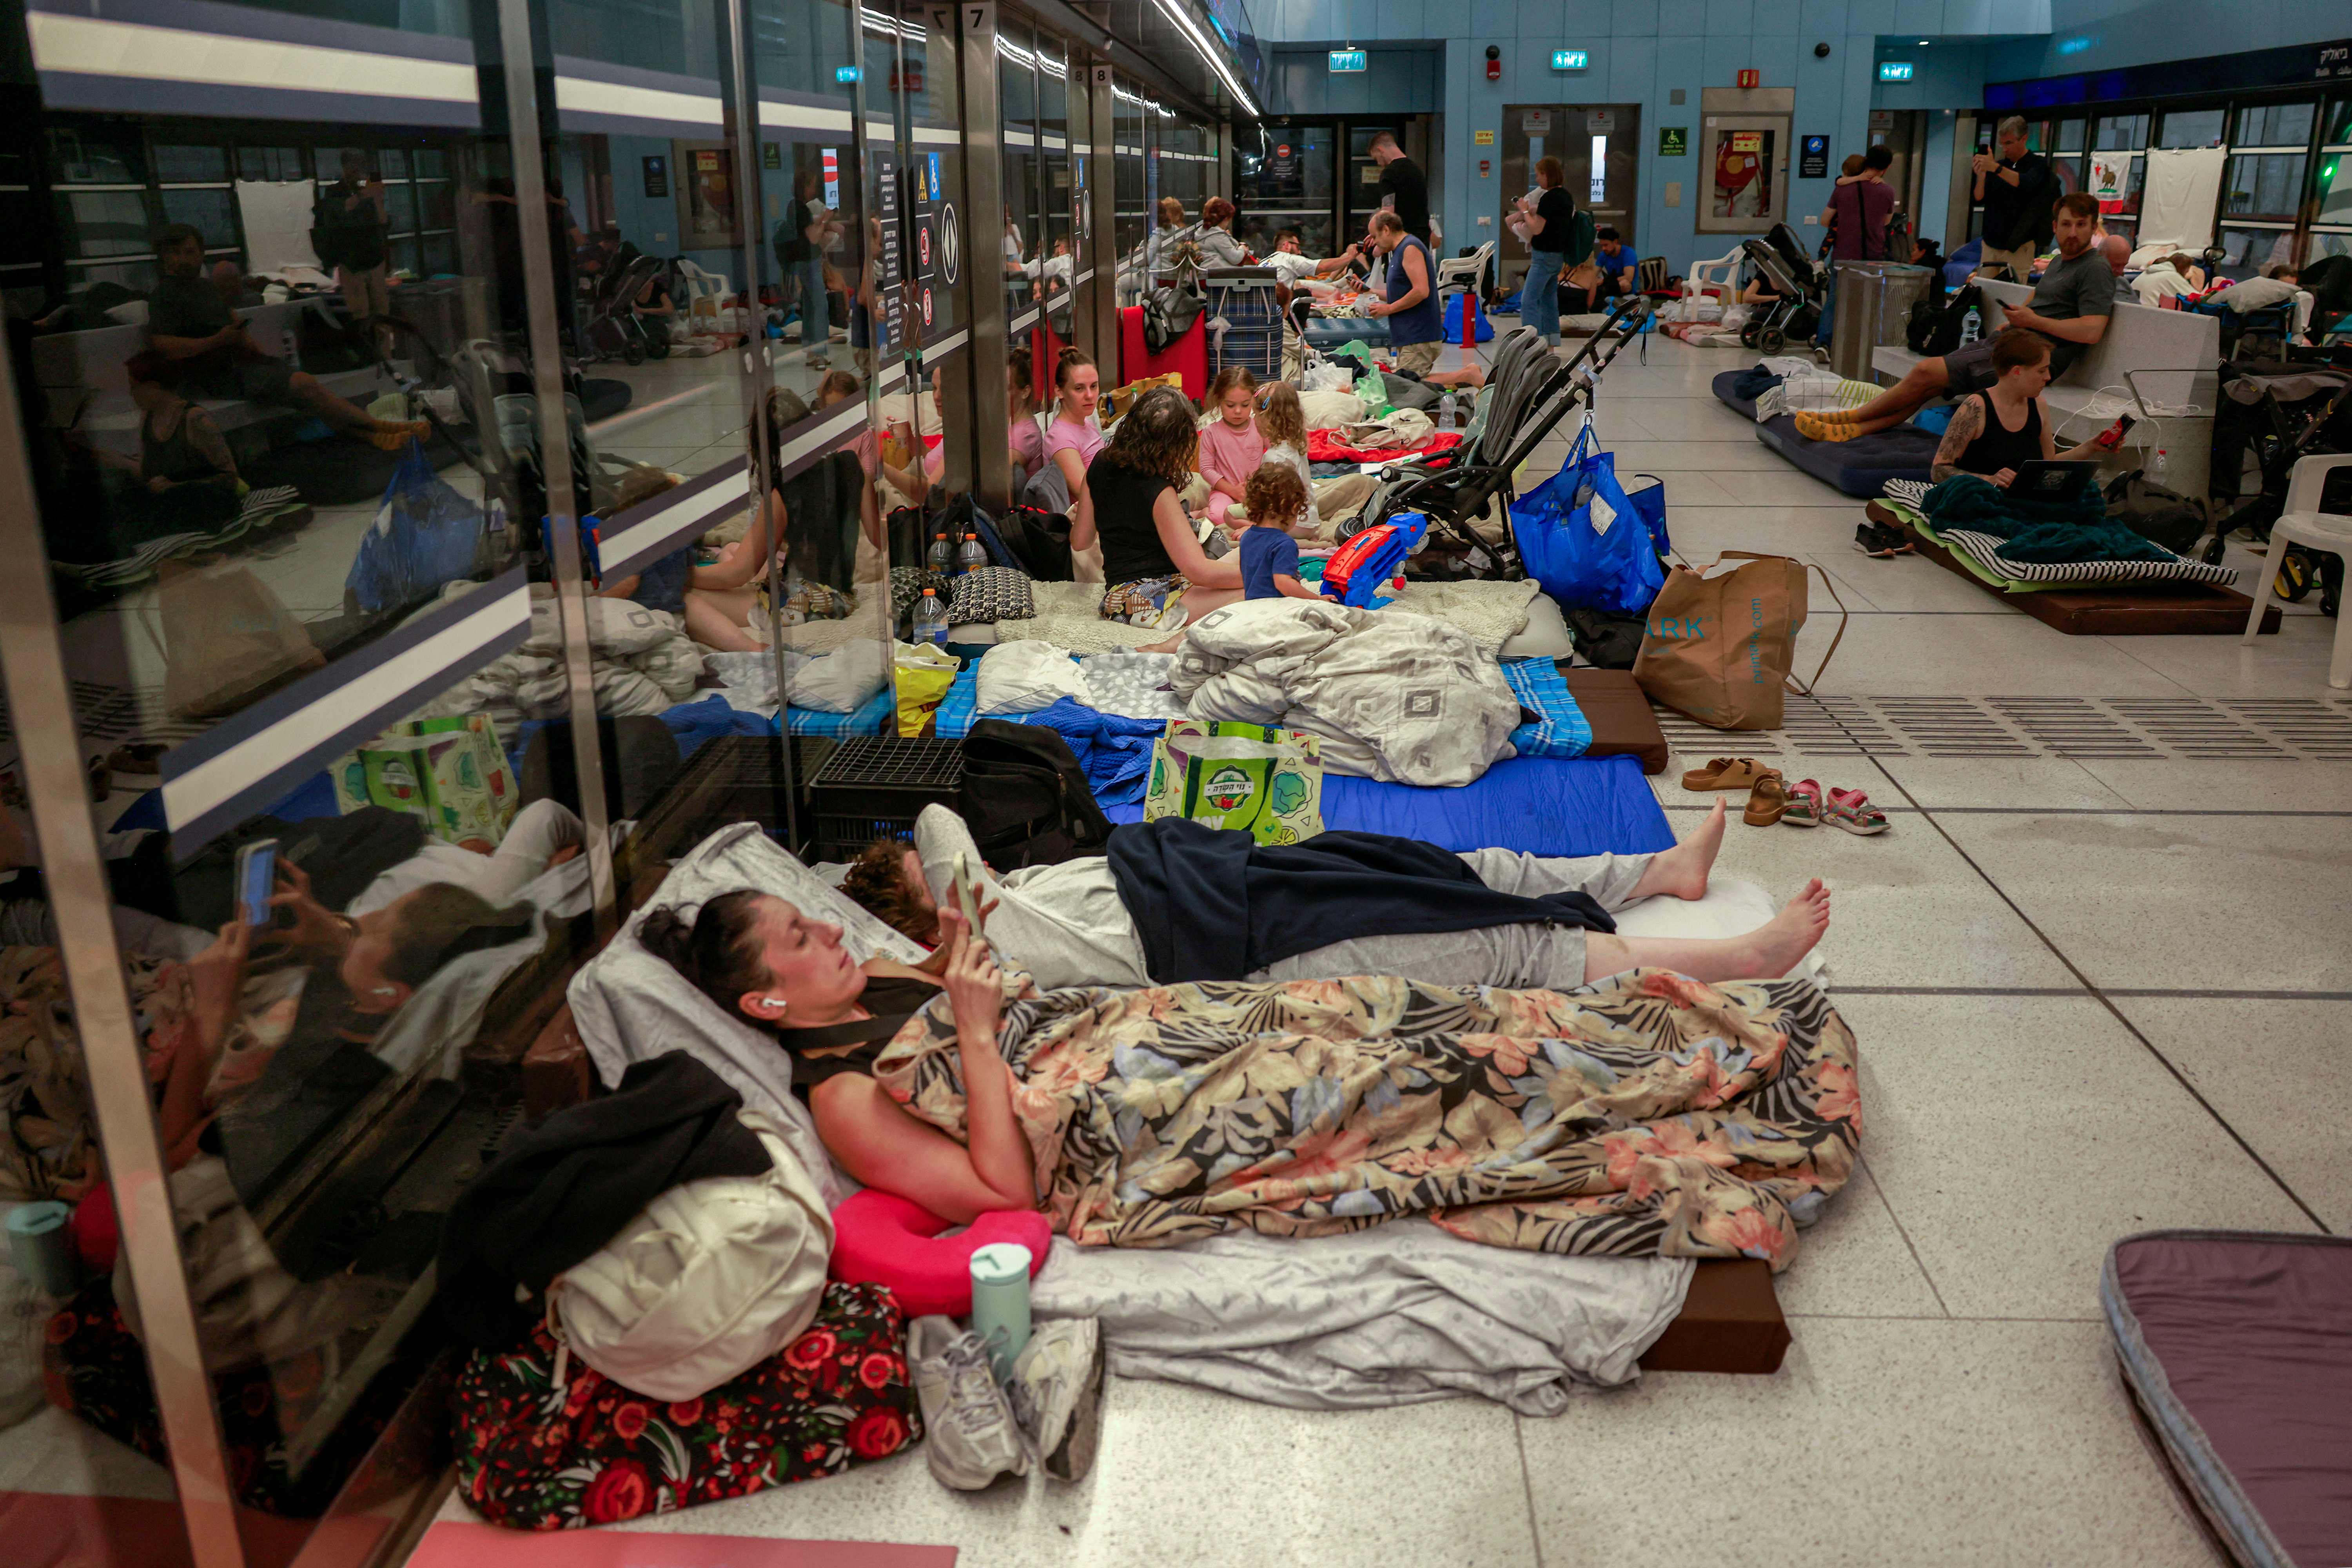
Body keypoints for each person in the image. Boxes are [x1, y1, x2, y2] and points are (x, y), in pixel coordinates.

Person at [1796, 192, 2112, 443]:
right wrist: (2017, 318)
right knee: (1927, 385)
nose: (2073, 232)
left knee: (1924, 372)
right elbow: (2039, 301)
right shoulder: (2059, 263)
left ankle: (1849, 418)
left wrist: (2033, 322)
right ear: (2055, 227)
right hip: (2012, 344)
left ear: (2093, 227)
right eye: (2067, 225)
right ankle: (1854, 430)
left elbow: (2092, 330)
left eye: (2082, 225)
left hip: (2032, 362)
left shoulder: (2094, 269)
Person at [145, 224, 425, 451]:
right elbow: (162, 345)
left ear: (200, 254)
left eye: (189, 252)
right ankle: (379, 427)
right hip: (216, 376)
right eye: (175, 253)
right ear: (165, 258)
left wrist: (244, 341)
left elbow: (230, 319)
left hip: (242, 364)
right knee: (304, 385)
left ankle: (370, 436)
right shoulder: (164, 296)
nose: (183, 259)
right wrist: (216, 341)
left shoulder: (205, 289)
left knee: (308, 393)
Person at [1068, 385, 1241, 629]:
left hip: (1119, 597)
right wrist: (1263, 578)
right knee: (1255, 591)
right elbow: (1199, 572)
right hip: (1142, 601)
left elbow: (1080, 542)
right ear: (1176, 445)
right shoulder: (1158, 491)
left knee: (1249, 558)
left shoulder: (1099, 463)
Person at [1928, 328, 2119, 486]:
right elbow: (1939, 469)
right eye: (2042, 371)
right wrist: (1988, 480)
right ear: (2017, 372)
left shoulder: (2038, 405)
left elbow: (2047, 464)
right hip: (1982, 496)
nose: (2048, 377)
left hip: (2021, 498)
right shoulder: (1976, 407)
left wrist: (2090, 447)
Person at [1244, 381, 1374, 536]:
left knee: (1232, 516)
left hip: (1291, 524)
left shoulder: (1273, 458)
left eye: (1256, 415)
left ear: (1266, 419)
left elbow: (1271, 506)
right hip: (1310, 520)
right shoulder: (1295, 444)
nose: (1254, 420)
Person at [1815, 145, 1897, 344]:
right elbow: (1886, 222)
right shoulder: (1887, 191)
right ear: (1886, 168)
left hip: (1844, 254)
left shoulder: (1843, 188)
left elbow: (1825, 221)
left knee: (1835, 300)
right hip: (1873, 255)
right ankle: (1862, 343)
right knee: (1869, 302)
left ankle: (1825, 343)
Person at [319, 151, 392, 355]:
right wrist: (363, 196)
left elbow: (384, 223)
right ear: (344, 168)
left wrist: (377, 199)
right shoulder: (334, 192)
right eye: (353, 167)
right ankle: (367, 357)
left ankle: (386, 358)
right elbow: (340, 213)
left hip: (374, 259)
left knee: (382, 315)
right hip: (351, 263)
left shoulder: (368, 191)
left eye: (359, 167)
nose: (357, 172)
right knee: (360, 316)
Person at [1973, 116, 2059, 284]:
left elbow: (2026, 183)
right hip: (1991, 241)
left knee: (2012, 292)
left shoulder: (2038, 164)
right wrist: (1982, 175)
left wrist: (1996, 168)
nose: (2005, 149)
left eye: (2009, 143)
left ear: (2024, 139)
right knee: (1984, 289)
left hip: (2019, 243)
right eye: (2002, 144)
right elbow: (1979, 197)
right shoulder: (1997, 165)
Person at [1364, 210, 1444, 377]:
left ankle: (1467, 375)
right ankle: (1467, 375)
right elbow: (1400, 293)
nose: (1375, 242)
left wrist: (1389, 309)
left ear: (1386, 230)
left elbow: (1421, 291)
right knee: (1408, 383)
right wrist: (1369, 291)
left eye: (1375, 236)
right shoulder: (1399, 251)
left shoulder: (1410, 248)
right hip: (1409, 336)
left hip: (1418, 335)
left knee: (1407, 386)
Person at [1510, 156, 1574, 349]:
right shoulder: (1566, 197)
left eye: (1538, 175)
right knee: (1548, 300)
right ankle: (1550, 342)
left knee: (1528, 299)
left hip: (1544, 256)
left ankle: (1531, 345)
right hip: (1558, 256)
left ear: (1547, 175)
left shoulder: (1550, 198)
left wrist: (1524, 211)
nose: (1537, 180)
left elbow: (1537, 228)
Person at [782, 170, 843, 370]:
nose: (814, 190)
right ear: (804, 187)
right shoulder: (800, 208)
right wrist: (825, 220)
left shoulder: (796, 207)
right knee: (820, 307)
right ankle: (819, 355)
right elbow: (814, 238)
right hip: (809, 262)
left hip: (804, 262)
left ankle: (810, 350)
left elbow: (808, 226)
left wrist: (825, 221)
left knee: (809, 306)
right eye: (812, 186)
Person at [1236, 464, 1321, 601]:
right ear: (1294, 509)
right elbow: (1283, 583)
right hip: (1276, 609)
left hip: (1251, 604)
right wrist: (1316, 598)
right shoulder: (1285, 544)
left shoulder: (1247, 536)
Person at [1196, 365, 1264, 526]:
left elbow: (1276, 451)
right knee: (1219, 518)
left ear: (1253, 400)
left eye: (1246, 405)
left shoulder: (1260, 427)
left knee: (1265, 516)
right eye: (1231, 405)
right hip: (1224, 492)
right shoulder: (1211, 431)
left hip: (1254, 492)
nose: (1238, 411)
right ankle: (1203, 514)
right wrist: (1232, 491)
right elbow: (1206, 469)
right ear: (1219, 400)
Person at [1042, 347, 1104, 508]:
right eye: (1079, 388)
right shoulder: (1060, 438)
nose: (1090, 395)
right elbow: (1089, 495)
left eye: (1094, 386)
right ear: (1059, 392)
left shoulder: (1086, 423)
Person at [1368, 130, 1430, 247]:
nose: (1379, 164)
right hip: (1422, 238)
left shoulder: (1389, 174)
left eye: (1377, 159)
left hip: (1401, 240)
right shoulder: (1417, 171)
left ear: (1381, 150)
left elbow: (1388, 212)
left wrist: (1376, 236)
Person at [1004, 345, 1044, 488]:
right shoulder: (1016, 426)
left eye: (1006, 389)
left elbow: (996, 479)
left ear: (1025, 392)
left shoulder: (1026, 435)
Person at [1196, 198, 1249, 268]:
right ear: (1225, 219)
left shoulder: (1203, 232)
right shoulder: (1217, 236)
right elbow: (1235, 258)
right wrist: (1242, 249)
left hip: (1210, 272)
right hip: (1220, 274)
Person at [1590, 227, 1638, 296]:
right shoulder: (1603, 255)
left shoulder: (1628, 253)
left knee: (1624, 284)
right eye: (1602, 246)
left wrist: (1604, 281)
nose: (1603, 249)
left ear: (1615, 242)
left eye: (1606, 245)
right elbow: (1594, 273)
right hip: (1611, 285)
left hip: (1627, 289)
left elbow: (1629, 277)